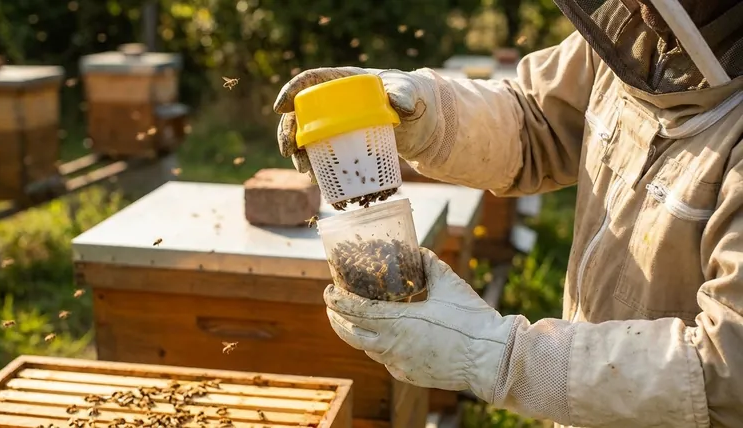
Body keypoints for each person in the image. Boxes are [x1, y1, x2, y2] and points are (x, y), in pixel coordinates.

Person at [273, 1, 743, 426]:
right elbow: (537, 117)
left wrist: (494, 353)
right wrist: (422, 113)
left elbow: (728, 372)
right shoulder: (638, 33)